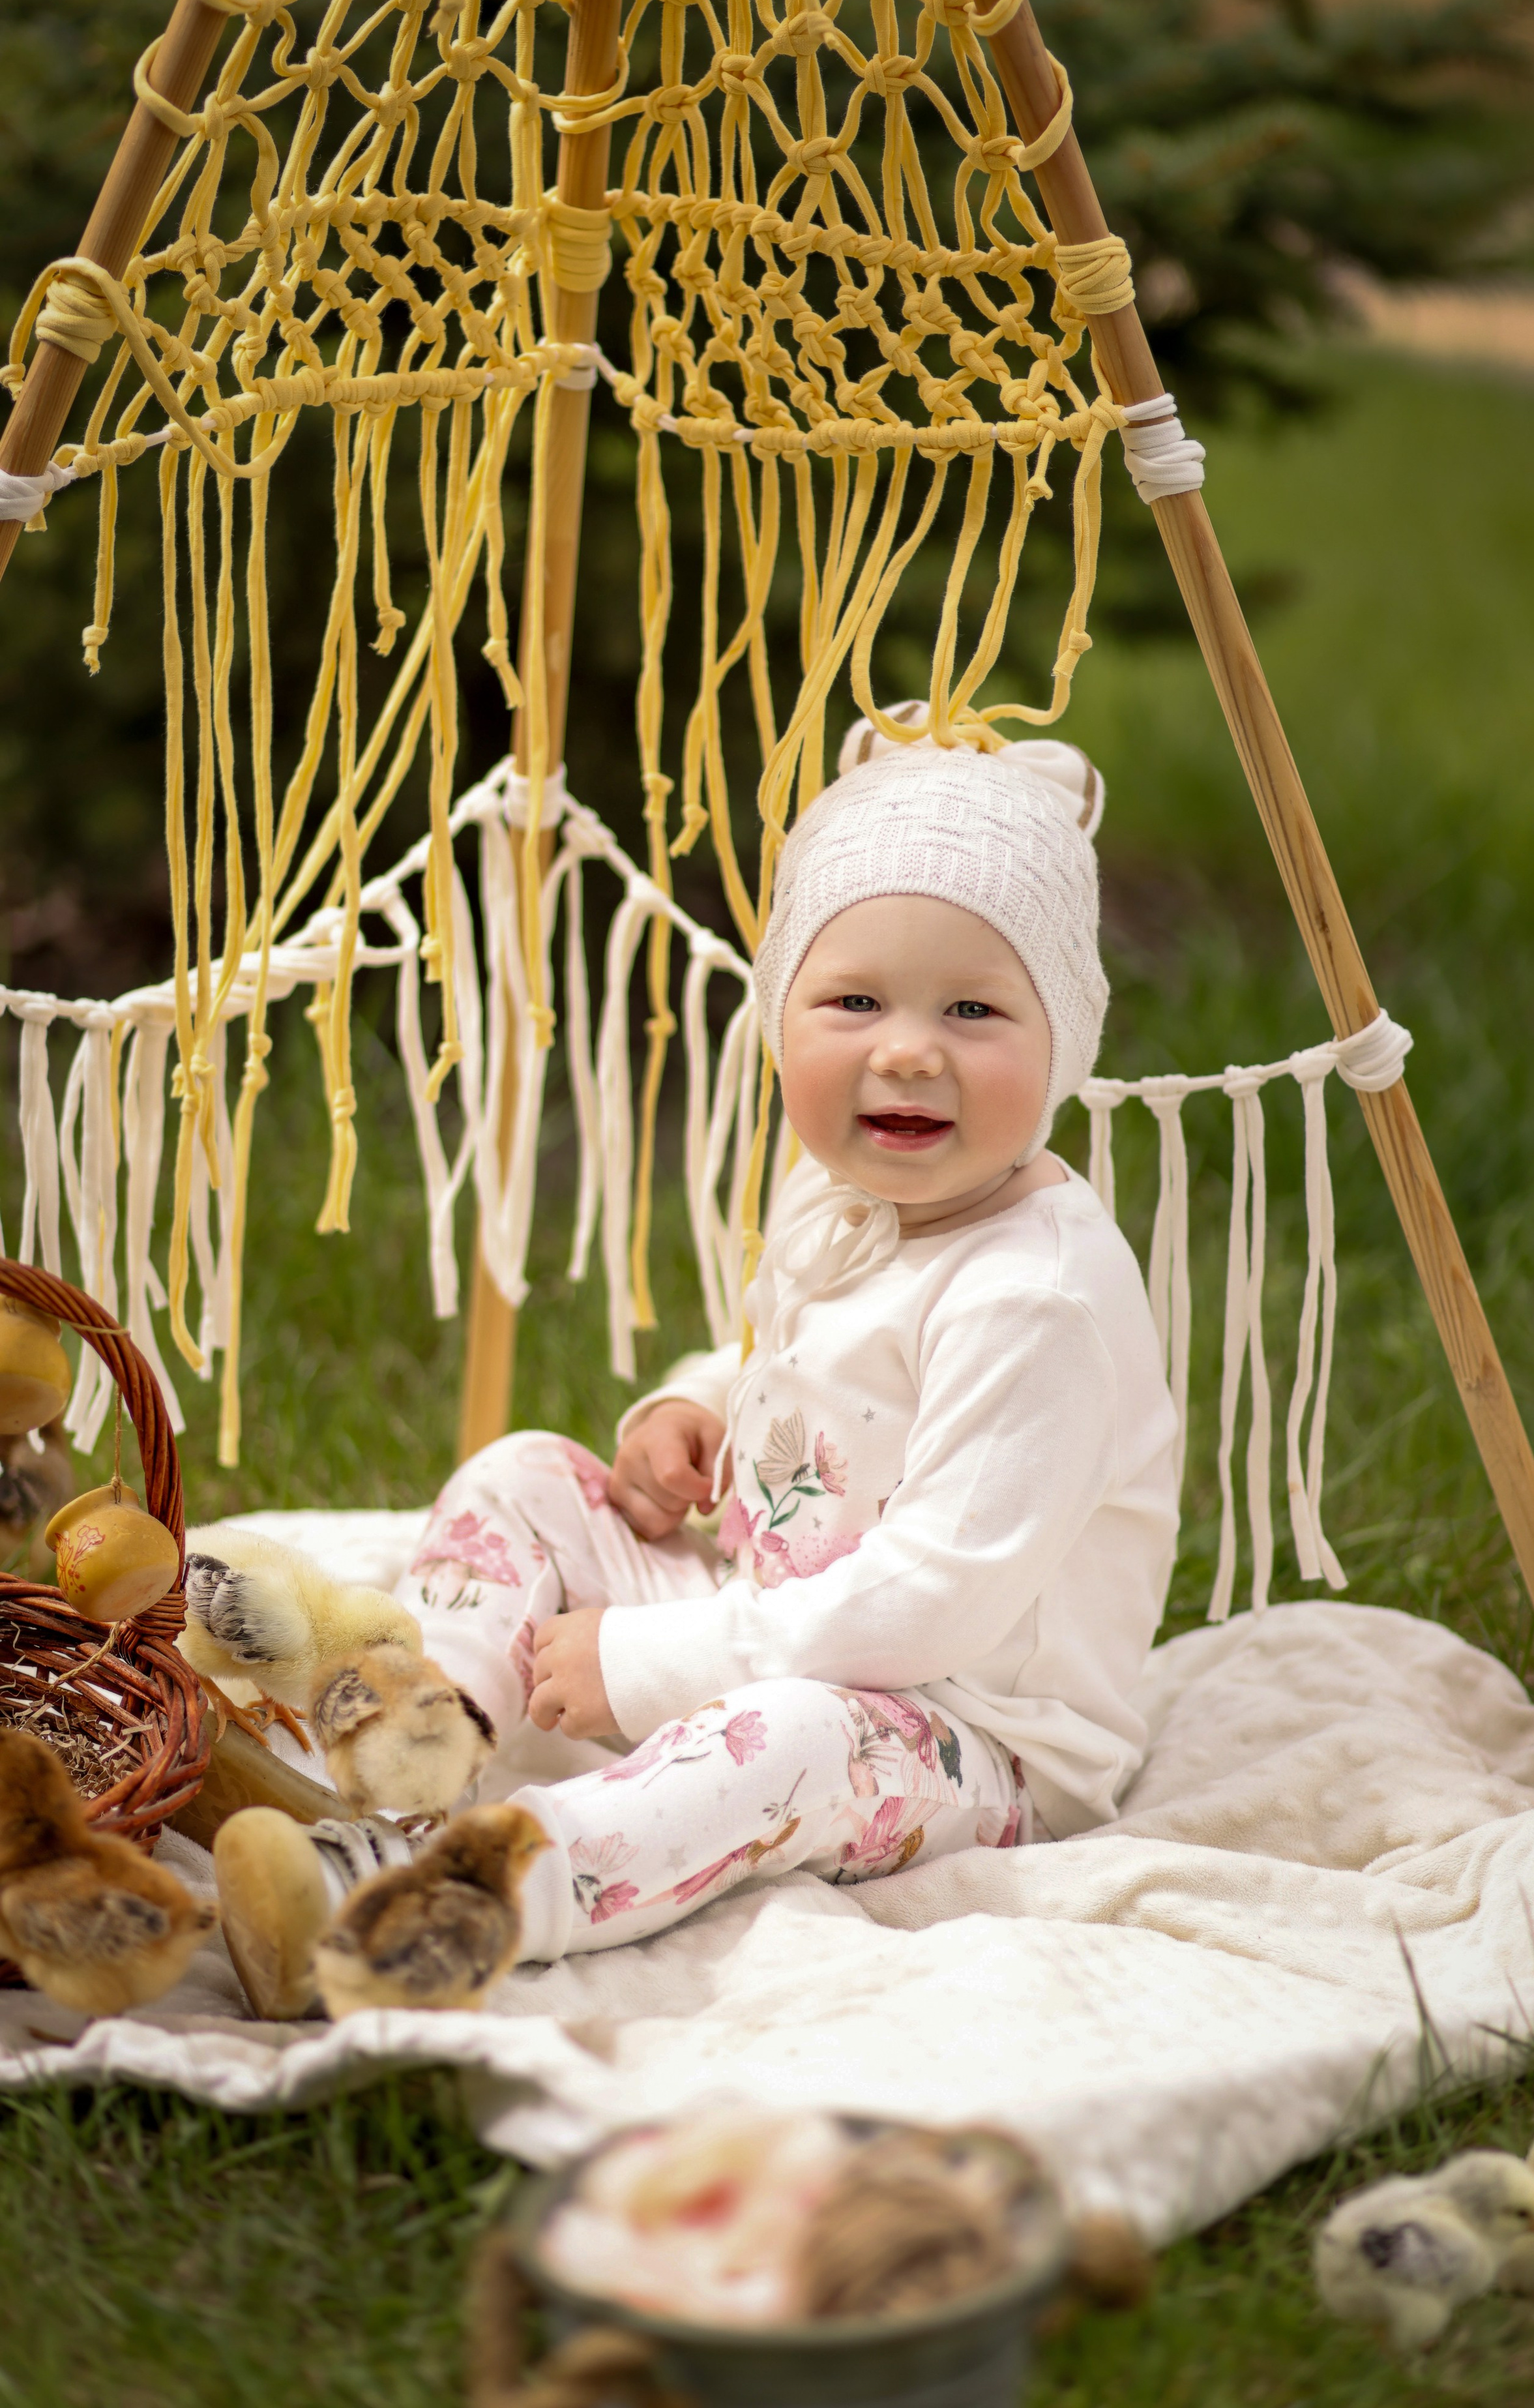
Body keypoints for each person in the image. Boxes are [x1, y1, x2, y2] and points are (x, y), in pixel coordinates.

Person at [219, 713, 1179, 1990]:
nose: (904, 1046)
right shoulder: (848, 1199)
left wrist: (639, 1660)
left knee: (780, 1740)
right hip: (773, 1599)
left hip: (964, 1728)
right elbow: (798, 1357)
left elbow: (930, 1599)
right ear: (781, 1014)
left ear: (1064, 1036)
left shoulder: (1037, 1295)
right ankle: (414, 1764)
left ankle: (447, 1900)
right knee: (523, 1474)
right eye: (851, 999)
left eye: (972, 1007)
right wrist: (701, 1398)